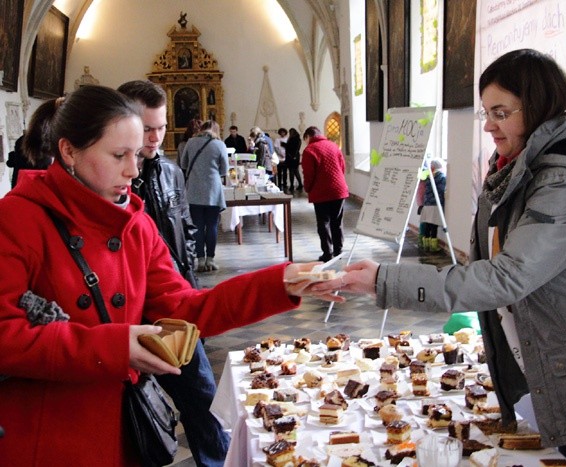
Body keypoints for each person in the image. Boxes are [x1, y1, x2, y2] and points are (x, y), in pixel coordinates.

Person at [315, 49, 566, 466]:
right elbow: (485, 271)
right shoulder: (513, 175)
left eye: (501, 112)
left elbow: (503, 278)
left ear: (540, 106)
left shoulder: (565, 187)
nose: (489, 125)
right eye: (485, 113)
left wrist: (385, 281)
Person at [0, 85, 331, 466]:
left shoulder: (134, 224)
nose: (132, 169)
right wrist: (115, 348)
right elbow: (5, 336)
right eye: (118, 155)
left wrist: (280, 281)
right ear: (69, 151)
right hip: (48, 437)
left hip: (126, 433)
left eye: (137, 154)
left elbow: (186, 309)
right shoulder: (18, 220)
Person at [117, 80, 229, 467]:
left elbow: (185, 231)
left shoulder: (170, 171)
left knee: (203, 397)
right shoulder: (112, 177)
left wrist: (192, 292)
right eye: (146, 129)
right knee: (132, 417)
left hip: (174, 307)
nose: (154, 137)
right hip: (129, 316)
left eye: (161, 127)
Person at [184, 120, 229, 272]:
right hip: (213, 191)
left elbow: (183, 164)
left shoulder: (191, 142)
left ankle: (200, 260)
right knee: (212, 226)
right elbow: (224, 170)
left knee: (196, 226)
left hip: (194, 190)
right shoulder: (219, 144)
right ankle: (211, 259)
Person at [301, 126, 349, 262]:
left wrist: (307, 188)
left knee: (323, 223)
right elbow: (342, 166)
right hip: (339, 190)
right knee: (337, 222)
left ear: (308, 136)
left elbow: (309, 174)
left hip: (321, 192)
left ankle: (327, 253)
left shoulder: (309, 150)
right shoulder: (333, 146)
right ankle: (339, 251)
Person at [416, 158, 446, 253]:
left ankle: (425, 245)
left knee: (427, 225)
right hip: (436, 204)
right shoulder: (442, 177)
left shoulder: (428, 177)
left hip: (427, 203)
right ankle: (433, 247)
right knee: (434, 226)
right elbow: (441, 190)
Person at [285, 127, 303, 192]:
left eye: (291, 132)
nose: (290, 134)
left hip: (293, 157)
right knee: (295, 171)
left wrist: (285, 145)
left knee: (292, 171)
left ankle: (292, 185)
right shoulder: (296, 139)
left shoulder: (295, 139)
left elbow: (294, 148)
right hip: (293, 156)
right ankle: (299, 184)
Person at [274, 127, 288, 191]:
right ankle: (279, 183)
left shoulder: (288, 139)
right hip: (279, 158)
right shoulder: (277, 139)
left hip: (286, 157)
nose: (282, 133)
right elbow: (276, 148)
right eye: (281, 132)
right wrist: (280, 154)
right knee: (279, 172)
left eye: (283, 132)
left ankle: (285, 184)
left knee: (285, 172)